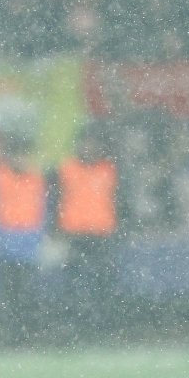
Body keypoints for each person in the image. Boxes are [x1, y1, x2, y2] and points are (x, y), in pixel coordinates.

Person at [0, 130, 49, 345]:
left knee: (29, 295)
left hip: (29, 249)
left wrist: (37, 238)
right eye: (17, 154)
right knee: (9, 296)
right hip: (6, 248)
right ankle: (13, 337)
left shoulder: (37, 179)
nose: (21, 159)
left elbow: (44, 211)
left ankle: (27, 337)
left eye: (24, 154)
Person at [51, 126, 120, 338]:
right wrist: (55, 229)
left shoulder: (109, 170)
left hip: (102, 235)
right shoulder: (65, 169)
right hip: (74, 235)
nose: (89, 147)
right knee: (73, 284)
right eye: (85, 143)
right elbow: (52, 200)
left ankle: (101, 328)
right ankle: (74, 327)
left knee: (103, 283)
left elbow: (121, 201)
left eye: (93, 143)